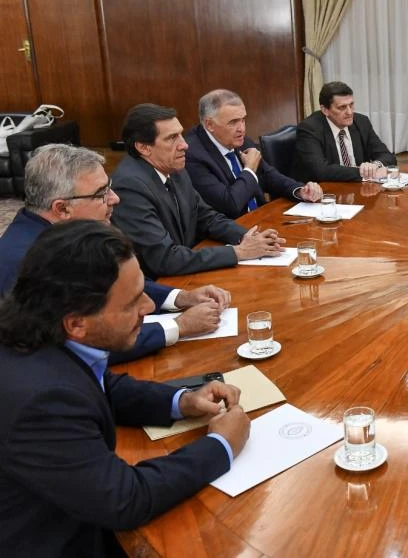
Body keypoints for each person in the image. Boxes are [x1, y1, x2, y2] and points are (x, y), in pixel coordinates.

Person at [0, 220, 250, 557]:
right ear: (76, 322)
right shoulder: (39, 399)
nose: (148, 307)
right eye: (132, 303)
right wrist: (221, 445)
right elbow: (126, 499)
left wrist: (182, 401)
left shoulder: (41, 334)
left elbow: (100, 385)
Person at [0, 144, 230, 364]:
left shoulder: (61, 236)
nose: (115, 199)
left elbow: (115, 283)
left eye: (109, 188)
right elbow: (82, 345)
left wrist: (181, 298)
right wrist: (179, 326)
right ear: (62, 208)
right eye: (101, 194)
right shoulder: (31, 264)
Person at [111, 103, 284, 278]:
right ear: (143, 148)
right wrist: (238, 252)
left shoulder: (174, 168)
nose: (184, 145)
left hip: (188, 272)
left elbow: (206, 217)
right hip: (160, 288)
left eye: (181, 135)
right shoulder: (129, 187)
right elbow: (164, 259)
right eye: (172, 138)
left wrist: (249, 236)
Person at [185, 89, 324, 218]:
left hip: (260, 219)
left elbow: (270, 176)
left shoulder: (240, 140)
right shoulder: (193, 155)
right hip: (230, 232)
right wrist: (250, 168)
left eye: (243, 120)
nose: (242, 129)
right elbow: (230, 204)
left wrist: (300, 191)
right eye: (233, 122)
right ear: (209, 125)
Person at [291, 81, 396, 182]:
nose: (350, 112)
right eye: (342, 107)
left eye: (351, 105)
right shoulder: (309, 129)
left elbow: (388, 156)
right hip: (323, 191)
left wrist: (375, 165)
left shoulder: (361, 122)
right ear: (325, 110)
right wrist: (362, 172)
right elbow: (321, 171)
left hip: (358, 188)